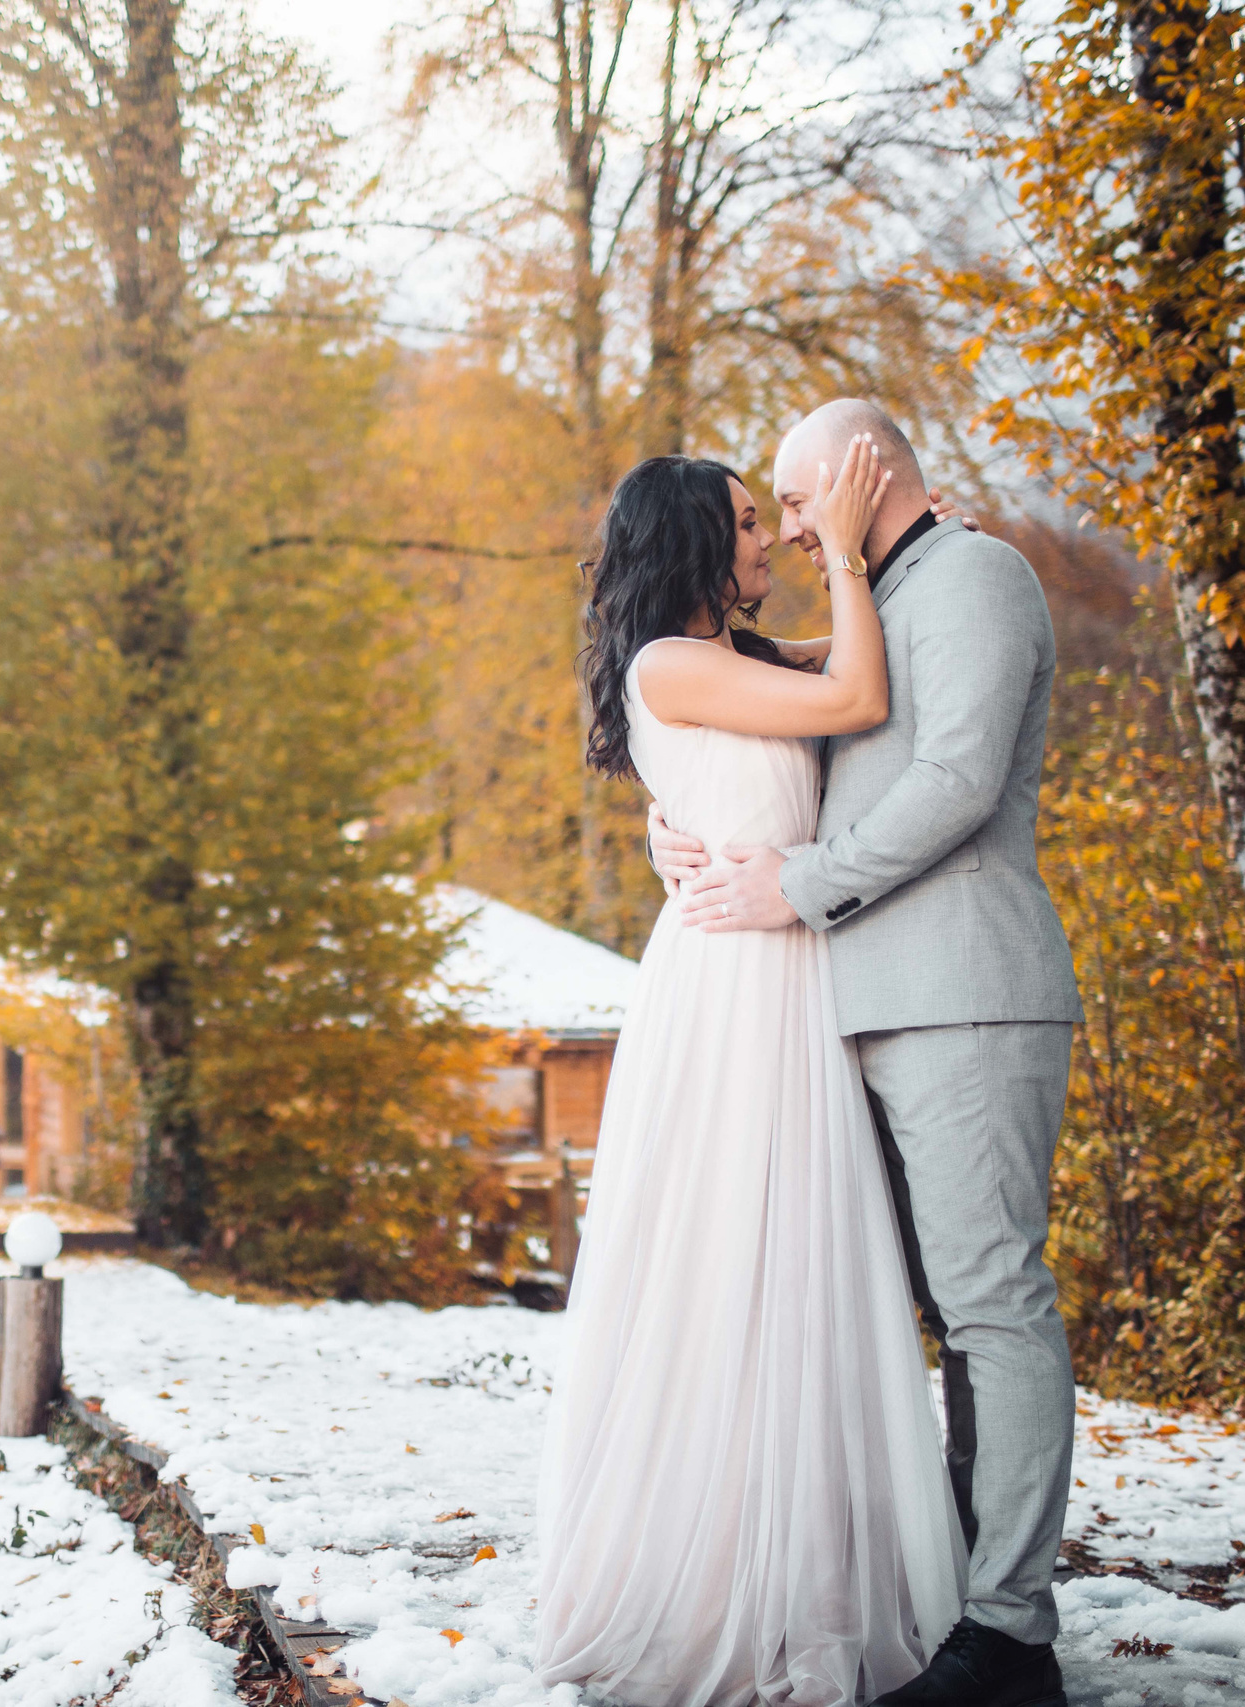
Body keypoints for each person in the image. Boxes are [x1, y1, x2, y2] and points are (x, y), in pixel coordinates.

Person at [653, 398, 1083, 1707]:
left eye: (793, 498)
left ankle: (1009, 1634)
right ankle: (940, 1591)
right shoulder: (870, 605)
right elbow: (729, 701)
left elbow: (955, 779)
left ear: (860, 468)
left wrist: (803, 881)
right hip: (851, 1004)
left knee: (993, 1298)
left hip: (964, 991)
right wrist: (686, 833)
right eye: (773, 513)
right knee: (905, 1312)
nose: (785, 525)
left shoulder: (974, 577)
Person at [535, 436, 967, 1707]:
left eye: (764, 520)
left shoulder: (725, 660)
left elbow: (851, 671)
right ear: (682, 541)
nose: (762, 541)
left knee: (807, 1254)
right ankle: (724, 1570)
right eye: (740, 524)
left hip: (782, 963)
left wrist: (909, 539)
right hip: (731, 984)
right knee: (736, 1246)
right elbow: (855, 705)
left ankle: (810, 1559)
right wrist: (842, 540)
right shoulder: (671, 661)